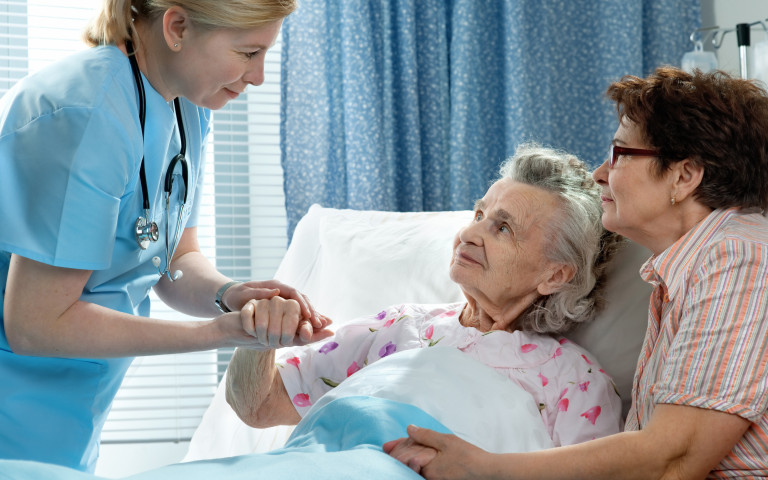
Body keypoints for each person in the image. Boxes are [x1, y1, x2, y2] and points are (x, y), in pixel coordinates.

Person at [385, 67, 768, 479]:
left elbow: (676, 459)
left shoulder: (739, 257)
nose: (599, 174)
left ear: (685, 175)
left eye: (620, 154)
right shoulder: (686, 267)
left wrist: (484, 468)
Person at [0, 0, 332, 473]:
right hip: (13, 397)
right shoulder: (84, 114)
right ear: (177, 27)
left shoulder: (185, 105)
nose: (258, 76)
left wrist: (230, 295)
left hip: (70, 406)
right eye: (247, 53)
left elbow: (172, 255)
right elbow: (35, 324)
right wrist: (217, 334)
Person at [225, 143, 626, 448]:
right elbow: (258, 406)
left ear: (555, 274)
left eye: (503, 228)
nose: (470, 233)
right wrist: (259, 335)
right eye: (479, 214)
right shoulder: (401, 328)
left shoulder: (574, 380)